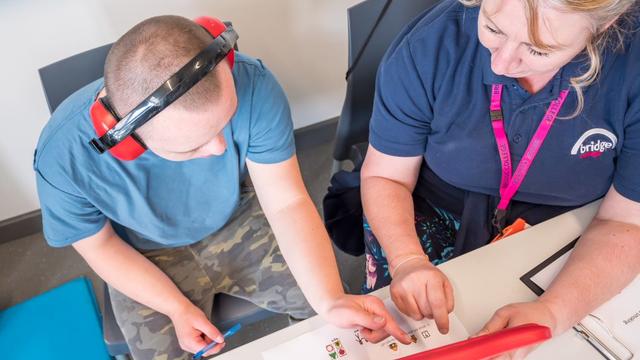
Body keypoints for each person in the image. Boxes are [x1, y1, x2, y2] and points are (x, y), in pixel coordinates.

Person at [34, 15, 409, 360]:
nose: (219, 148)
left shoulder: (254, 84)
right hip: (141, 250)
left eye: (225, 122)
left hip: (238, 216)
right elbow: (100, 246)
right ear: (127, 142)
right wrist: (176, 307)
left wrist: (328, 300)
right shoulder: (60, 158)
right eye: (192, 145)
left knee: (331, 311)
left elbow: (287, 202)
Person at [360, 0, 640, 357]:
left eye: (538, 49)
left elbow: (626, 220)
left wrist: (552, 314)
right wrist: (407, 261)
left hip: (569, 226)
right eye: (492, 28)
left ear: (605, 24)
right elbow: (386, 175)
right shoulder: (428, 47)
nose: (501, 63)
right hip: (431, 210)